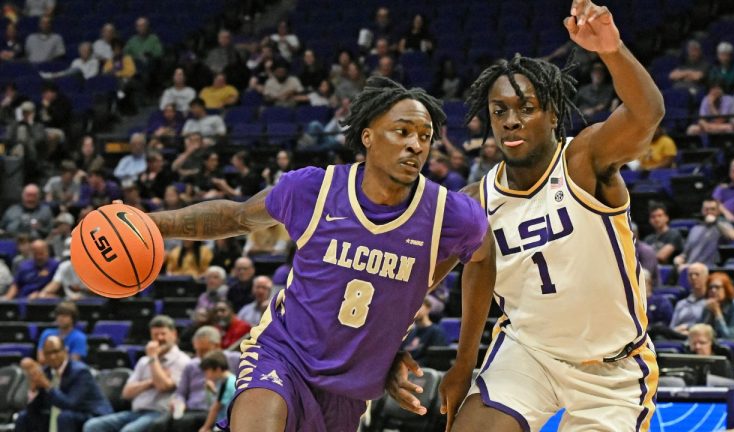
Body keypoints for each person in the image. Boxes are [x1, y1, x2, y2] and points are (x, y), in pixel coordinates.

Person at [146, 76, 487, 430]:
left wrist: (462, 361)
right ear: (367, 137)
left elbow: (480, 260)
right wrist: (148, 223)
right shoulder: (315, 189)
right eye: (402, 132)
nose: (415, 144)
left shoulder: (451, 216)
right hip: (282, 354)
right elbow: (237, 216)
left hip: (349, 389)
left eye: (424, 136)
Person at [419, 2, 665, 430]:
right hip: (529, 353)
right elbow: (459, 272)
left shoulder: (584, 160)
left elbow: (647, 115)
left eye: (526, 108)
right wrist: (462, 364)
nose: (511, 121)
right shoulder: (477, 198)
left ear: (552, 113)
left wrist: (612, 50)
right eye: (500, 112)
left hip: (611, 370)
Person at [83, 315, 191, 432]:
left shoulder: (182, 361)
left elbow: (162, 386)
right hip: (136, 412)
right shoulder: (143, 361)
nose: (159, 338)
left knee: (129, 431)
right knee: (92, 425)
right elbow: (126, 393)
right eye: (155, 335)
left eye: (163, 334)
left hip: (160, 414)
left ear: (174, 334)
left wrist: (153, 358)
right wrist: (150, 382)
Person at [148, 326, 237, 432]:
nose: (200, 355)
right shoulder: (191, 365)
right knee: (158, 424)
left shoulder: (235, 360)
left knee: (184, 423)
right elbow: (180, 393)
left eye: (204, 351)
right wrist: (178, 402)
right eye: (197, 351)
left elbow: (221, 401)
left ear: (217, 346)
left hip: (209, 411)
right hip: (189, 409)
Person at [16, 335, 113, 432]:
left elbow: (70, 404)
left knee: (64, 417)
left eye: (56, 351)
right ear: (44, 356)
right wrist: (33, 389)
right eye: (48, 353)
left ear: (65, 351)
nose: (52, 357)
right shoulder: (45, 372)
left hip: (92, 416)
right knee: (23, 417)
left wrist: (47, 385)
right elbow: (34, 409)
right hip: (65, 416)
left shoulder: (80, 372)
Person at [673, 199, 734, 269]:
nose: (709, 212)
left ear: (718, 211)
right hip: (690, 266)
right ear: (702, 211)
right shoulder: (695, 229)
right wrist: (680, 258)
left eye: (712, 209)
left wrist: (716, 222)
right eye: (706, 209)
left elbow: (733, 236)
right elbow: (686, 253)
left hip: (710, 268)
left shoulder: (722, 226)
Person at [699, 272, 734, 344]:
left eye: (717, 287)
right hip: (715, 343)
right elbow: (702, 330)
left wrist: (717, 313)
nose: (713, 290)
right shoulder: (709, 305)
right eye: (710, 287)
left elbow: (728, 336)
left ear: (726, 289)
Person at [198, 350, 236, 432]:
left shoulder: (226, 383)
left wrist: (205, 428)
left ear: (217, 369)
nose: (206, 375)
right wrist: (213, 391)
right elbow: (224, 398)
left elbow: (215, 408)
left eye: (207, 371)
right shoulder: (232, 379)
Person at [402, 298, 448, 365]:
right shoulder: (409, 333)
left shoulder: (436, 332)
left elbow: (436, 358)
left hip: (423, 371)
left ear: (428, 309)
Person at [669, 262, 709, 335]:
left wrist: (687, 327)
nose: (693, 277)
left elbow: (708, 326)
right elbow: (672, 327)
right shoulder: (681, 303)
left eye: (697, 274)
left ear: (706, 277)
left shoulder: (710, 302)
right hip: (678, 335)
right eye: (690, 275)